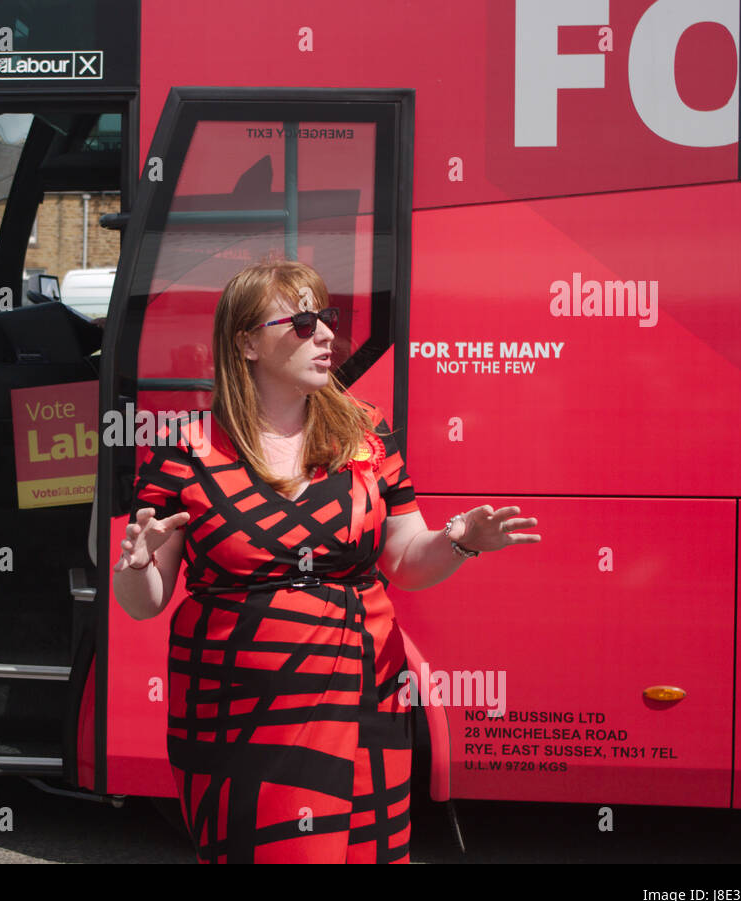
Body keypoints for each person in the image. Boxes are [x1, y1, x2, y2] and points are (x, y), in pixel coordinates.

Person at [112, 259, 540, 863]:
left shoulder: (367, 436)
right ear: (246, 342)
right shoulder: (187, 451)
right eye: (303, 320)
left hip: (366, 696)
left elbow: (408, 561)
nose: (325, 334)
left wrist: (462, 540)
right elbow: (145, 603)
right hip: (240, 710)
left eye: (327, 316)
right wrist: (134, 569)